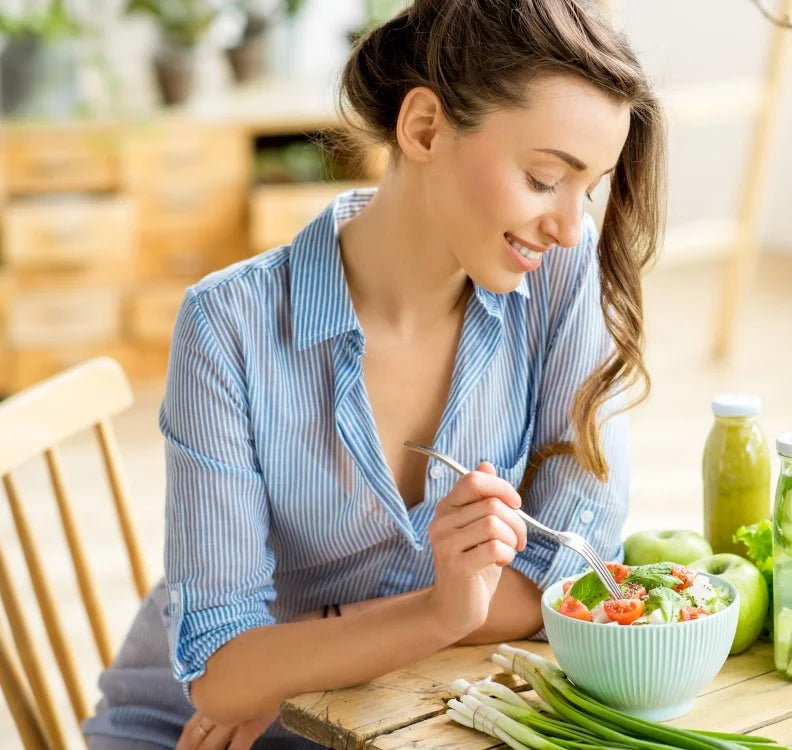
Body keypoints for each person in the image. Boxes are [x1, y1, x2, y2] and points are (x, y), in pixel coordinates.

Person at [82, 0, 664, 746]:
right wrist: (437, 612)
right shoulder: (230, 327)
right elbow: (222, 673)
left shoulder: (556, 273)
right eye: (545, 177)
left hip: (393, 716)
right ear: (423, 128)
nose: (570, 224)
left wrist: (299, 658)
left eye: (590, 187)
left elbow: (575, 571)